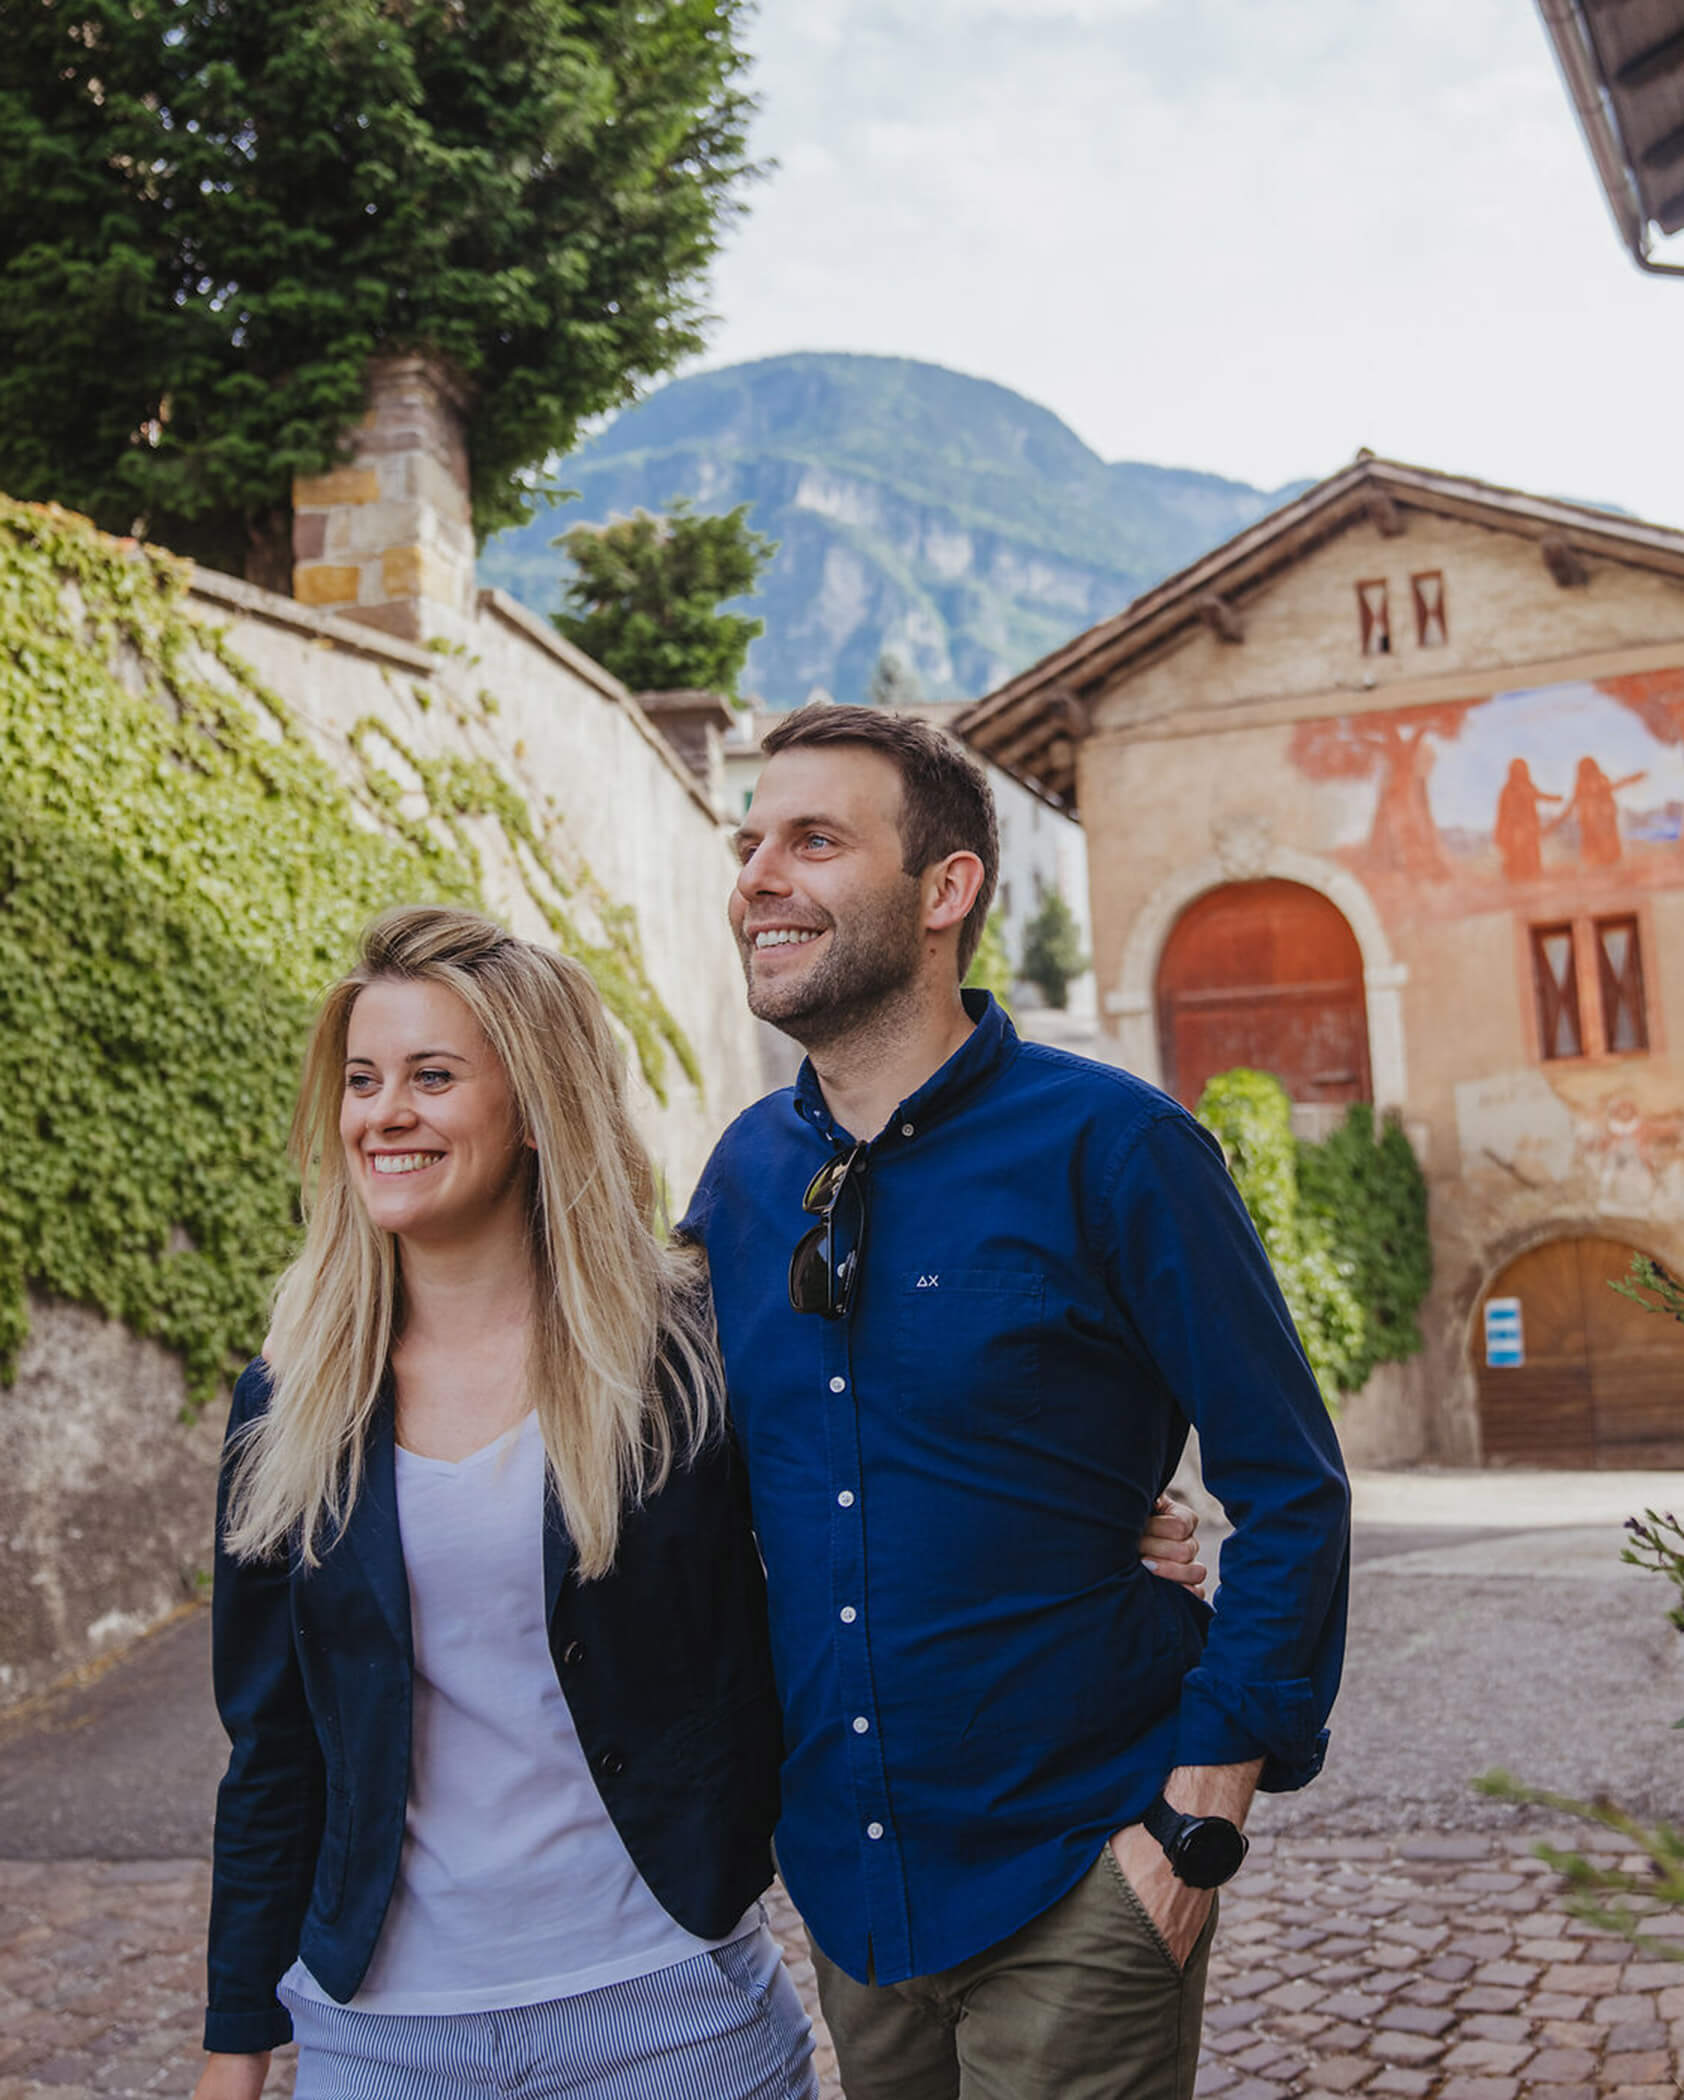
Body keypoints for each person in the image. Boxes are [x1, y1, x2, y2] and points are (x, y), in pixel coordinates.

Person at [199, 903, 1203, 2095]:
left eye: (431, 1075)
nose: (385, 1114)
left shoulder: (679, 1354)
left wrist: (1070, 1529)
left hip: (665, 2012)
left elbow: (861, 1479)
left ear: (533, 1107)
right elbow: (271, 1746)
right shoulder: (291, 1396)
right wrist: (236, 2042)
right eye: (363, 1080)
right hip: (376, 2034)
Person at [681, 705, 1352, 2100]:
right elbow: (714, 1496)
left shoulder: (1119, 1150)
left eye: (813, 840)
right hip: (856, 1894)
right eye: (751, 843)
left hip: (1079, 1870)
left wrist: (1198, 1827)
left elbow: (1290, 1485)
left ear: (946, 888)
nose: (757, 875)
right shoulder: (741, 1181)